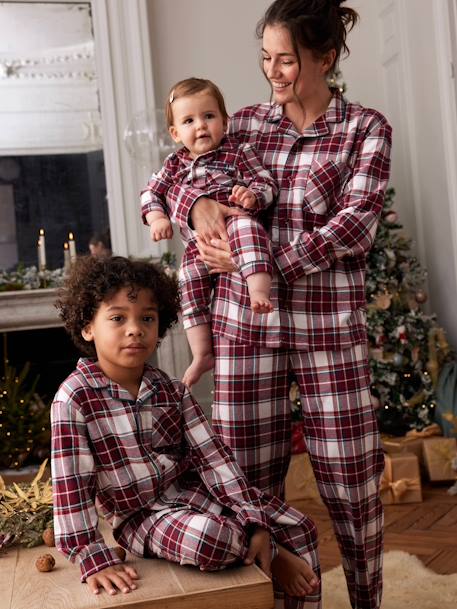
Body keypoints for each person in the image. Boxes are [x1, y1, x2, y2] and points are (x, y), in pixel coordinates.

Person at [165, 2, 392, 608]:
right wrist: (193, 210)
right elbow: (189, 178)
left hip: (330, 334)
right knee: (247, 489)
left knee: (353, 489)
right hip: (243, 330)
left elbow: (354, 229)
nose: (273, 71)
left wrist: (258, 264)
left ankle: (367, 599)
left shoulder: (365, 129)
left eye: (286, 59)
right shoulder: (240, 124)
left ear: (326, 57)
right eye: (265, 57)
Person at [51, 255, 320, 607]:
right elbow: (71, 486)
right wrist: (91, 556)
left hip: (196, 497)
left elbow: (214, 459)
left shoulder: (172, 390)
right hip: (140, 518)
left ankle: (267, 547)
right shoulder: (74, 399)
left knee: (298, 526)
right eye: (118, 318)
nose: (136, 329)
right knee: (212, 539)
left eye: (147, 318)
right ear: (88, 327)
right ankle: (268, 550)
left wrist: (253, 519)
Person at [140, 77, 277, 387]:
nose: (200, 126)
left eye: (209, 116)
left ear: (225, 122)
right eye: (189, 120)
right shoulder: (174, 165)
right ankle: (202, 352)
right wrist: (157, 217)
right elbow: (150, 193)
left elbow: (266, 183)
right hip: (198, 246)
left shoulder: (238, 151)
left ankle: (258, 290)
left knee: (248, 230)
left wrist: (252, 195)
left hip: (235, 224)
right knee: (187, 283)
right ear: (176, 133)